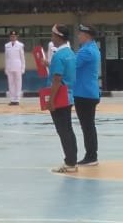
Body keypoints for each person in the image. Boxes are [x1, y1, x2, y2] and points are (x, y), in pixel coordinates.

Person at [46, 24, 78, 173]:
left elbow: (57, 79)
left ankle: (70, 162)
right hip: (69, 96)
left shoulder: (58, 55)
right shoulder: (70, 53)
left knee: (63, 131)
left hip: (60, 97)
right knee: (68, 130)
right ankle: (72, 160)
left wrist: (50, 100)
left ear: (59, 37)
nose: (52, 38)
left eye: (53, 35)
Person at [74, 24, 101, 166]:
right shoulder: (92, 48)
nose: (78, 36)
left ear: (87, 35)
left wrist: (51, 63)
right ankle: (91, 154)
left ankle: (91, 156)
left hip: (84, 93)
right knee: (88, 126)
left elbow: (72, 65)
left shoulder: (86, 51)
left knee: (87, 126)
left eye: (80, 34)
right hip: (88, 92)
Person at [4, 30, 26, 106]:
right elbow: (6, 58)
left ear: (16, 37)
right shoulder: (7, 45)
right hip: (10, 66)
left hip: (18, 66)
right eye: (11, 36)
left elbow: (22, 57)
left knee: (18, 83)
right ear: (10, 37)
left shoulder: (20, 45)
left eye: (14, 36)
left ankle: (17, 99)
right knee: (11, 83)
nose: (13, 37)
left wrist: (23, 68)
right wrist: (6, 68)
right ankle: (12, 99)